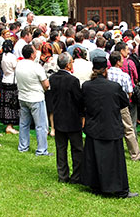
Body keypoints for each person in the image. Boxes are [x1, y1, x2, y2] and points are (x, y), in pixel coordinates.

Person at [82, 55, 137, 198]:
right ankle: (120, 189)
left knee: (95, 158)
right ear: (105, 70)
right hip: (111, 126)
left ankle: (96, 186)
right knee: (115, 162)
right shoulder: (114, 87)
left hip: (94, 127)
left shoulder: (87, 86)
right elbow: (124, 103)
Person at [48, 52, 84, 183]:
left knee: (61, 148)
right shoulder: (73, 80)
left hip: (59, 117)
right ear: (68, 65)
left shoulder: (53, 78)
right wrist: (82, 116)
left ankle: (62, 175)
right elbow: (79, 100)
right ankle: (77, 175)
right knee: (77, 149)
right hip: (72, 119)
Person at [107, 52, 140, 161]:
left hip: (109, 105)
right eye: (122, 59)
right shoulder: (124, 75)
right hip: (122, 106)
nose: (123, 61)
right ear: (118, 62)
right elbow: (130, 92)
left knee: (110, 128)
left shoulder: (106, 74)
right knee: (128, 129)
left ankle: (111, 152)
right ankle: (135, 155)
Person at [15, 45, 50, 156]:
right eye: (35, 52)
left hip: (23, 97)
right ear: (31, 55)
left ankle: (23, 146)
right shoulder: (36, 67)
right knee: (41, 125)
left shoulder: (19, 65)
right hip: (36, 98)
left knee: (24, 124)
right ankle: (41, 150)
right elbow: (46, 84)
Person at [0, 39, 20, 134]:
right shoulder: (11, 57)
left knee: (6, 104)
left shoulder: (2, 56)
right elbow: (16, 67)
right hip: (12, 82)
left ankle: (8, 124)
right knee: (12, 104)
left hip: (5, 80)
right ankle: (10, 126)